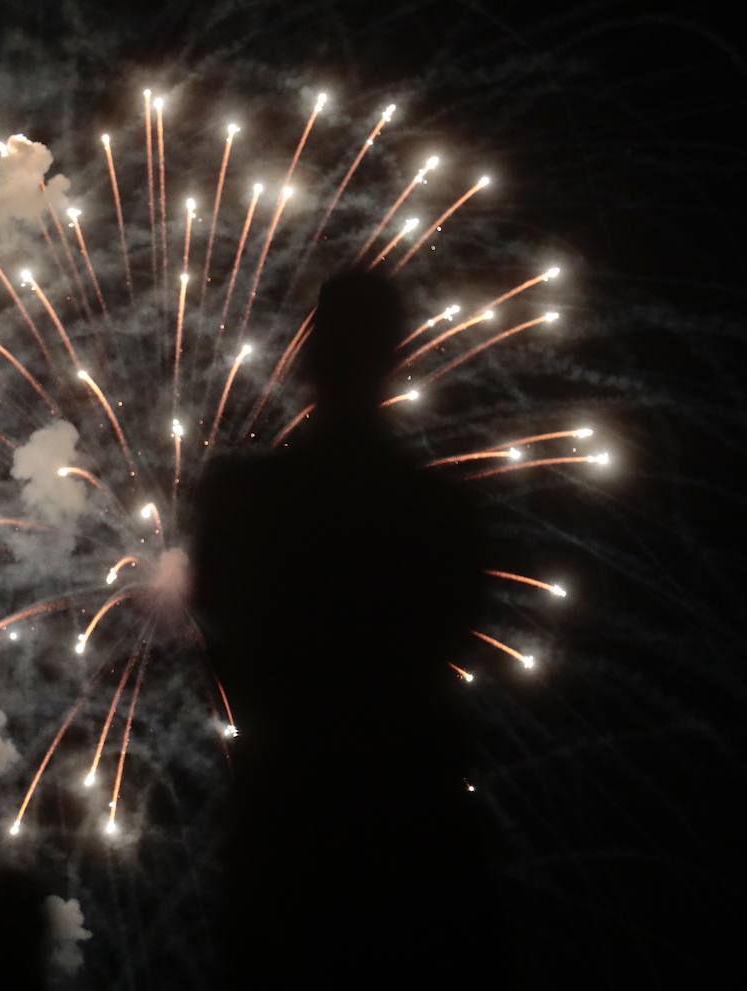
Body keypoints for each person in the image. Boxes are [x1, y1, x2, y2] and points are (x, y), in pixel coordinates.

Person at [192, 269, 505, 985]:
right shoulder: (444, 514)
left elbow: (218, 647)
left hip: (284, 845)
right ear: (397, 356)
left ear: (306, 356)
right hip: (419, 850)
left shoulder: (240, 499)